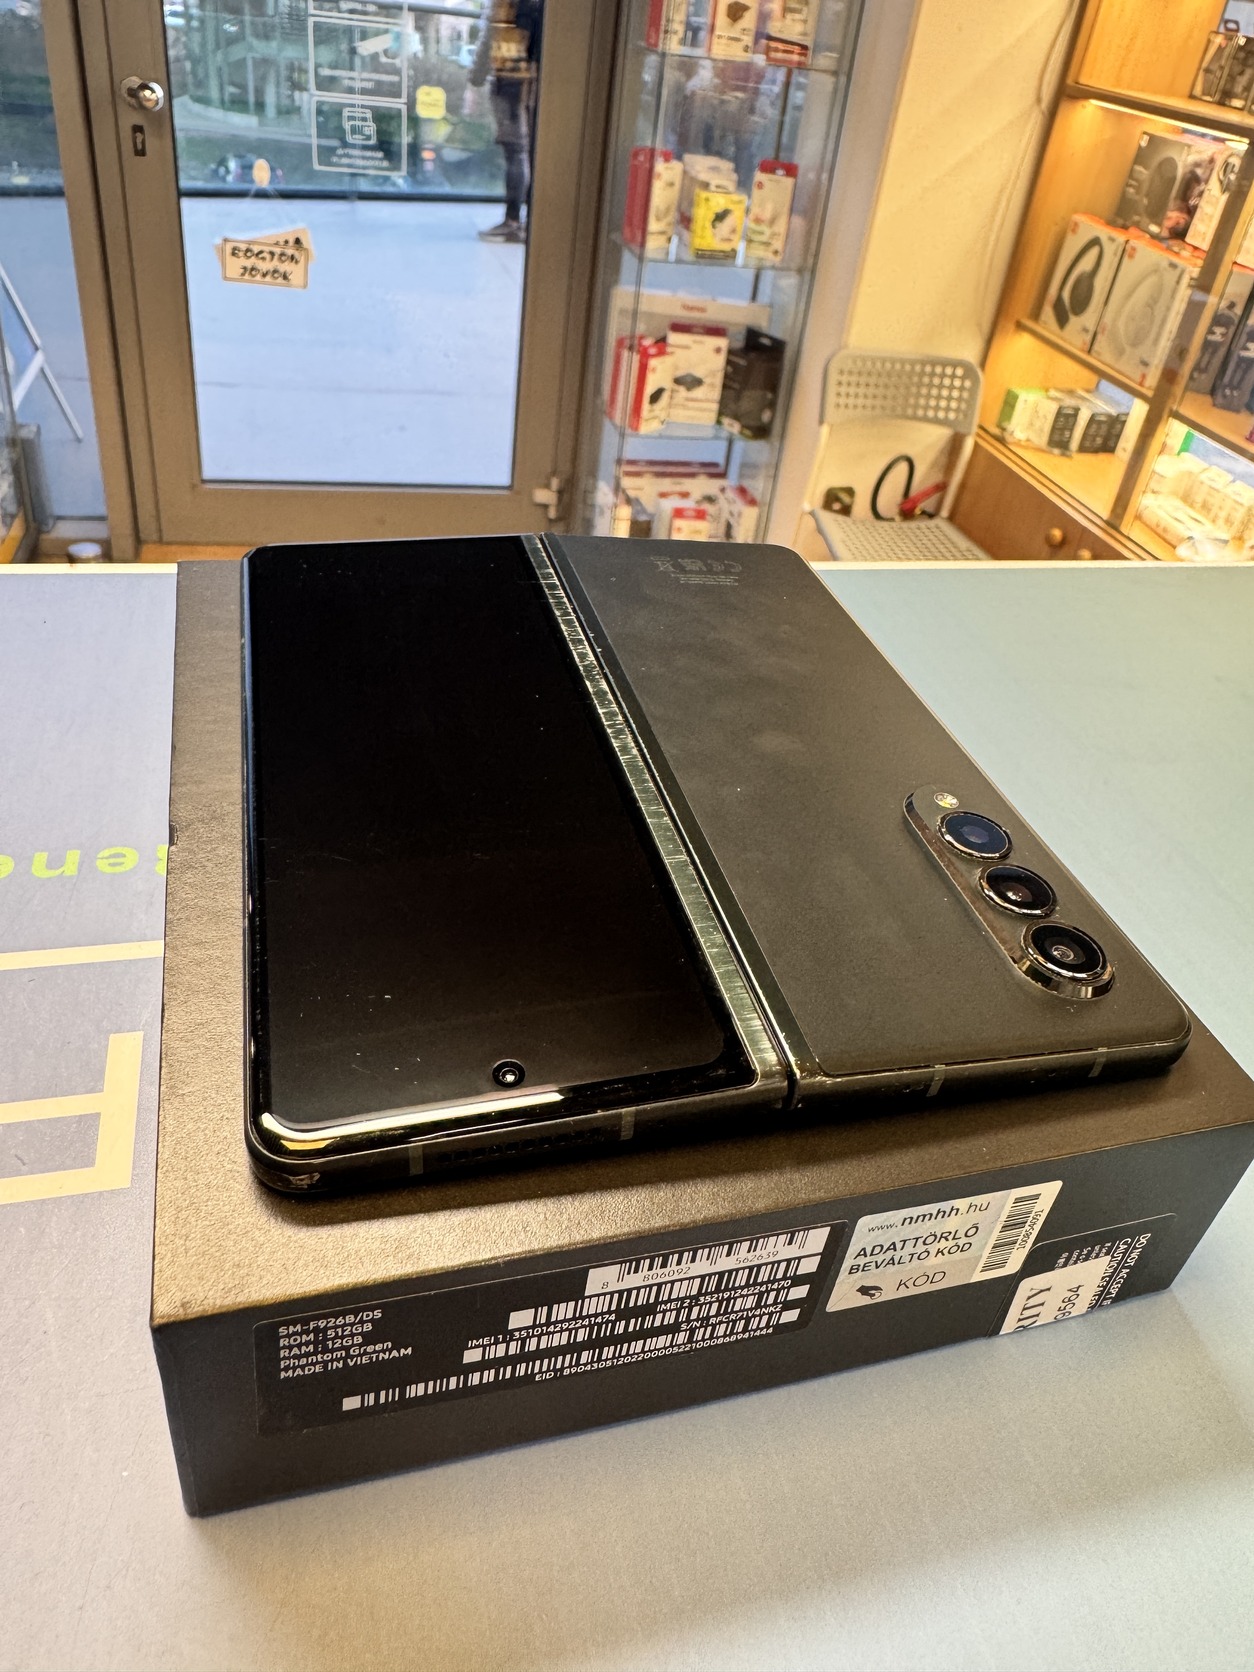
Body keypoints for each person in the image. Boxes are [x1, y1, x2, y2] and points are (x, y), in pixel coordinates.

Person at [469, 0, 543, 244]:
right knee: (532, 152)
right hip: (537, 80)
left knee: (516, 152)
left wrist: (476, 76)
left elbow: (491, 34)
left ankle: (512, 221)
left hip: (509, 81)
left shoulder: (505, 3)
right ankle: (531, 222)